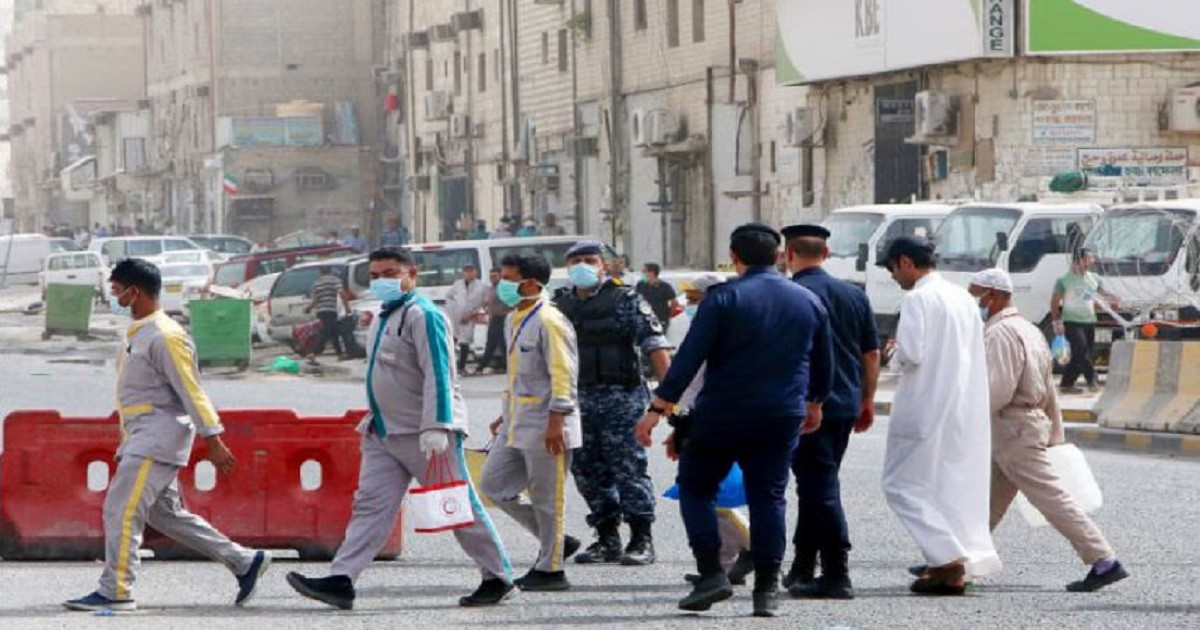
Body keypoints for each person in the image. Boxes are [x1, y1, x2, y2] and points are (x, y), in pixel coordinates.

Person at [286, 247, 514, 610]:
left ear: (412, 275)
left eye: (391, 272)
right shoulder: (382, 316)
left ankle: (497, 575)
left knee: (456, 507)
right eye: (375, 275)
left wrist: (437, 425)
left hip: (426, 435)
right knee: (370, 507)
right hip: (384, 432)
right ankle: (342, 579)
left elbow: (440, 372)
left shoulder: (424, 315)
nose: (382, 281)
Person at [635, 223, 833, 617]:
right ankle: (766, 590)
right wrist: (815, 403)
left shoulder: (723, 299)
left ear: (735, 256)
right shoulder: (806, 299)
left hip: (723, 413)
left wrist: (658, 408)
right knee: (769, 497)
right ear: (778, 255)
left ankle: (711, 573)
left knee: (695, 487)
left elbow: (690, 358)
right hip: (781, 413)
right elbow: (823, 359)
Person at [64, 259, 270, 613]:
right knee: (166, 515)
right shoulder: (141, 333)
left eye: (116, 291)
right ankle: (244, 561)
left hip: (157, 439)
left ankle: (116, 589)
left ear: (135, 291)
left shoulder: (166, 335)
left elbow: (192, 391)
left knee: (121, 509)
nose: (113, 298)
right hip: (143, 437)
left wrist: (213, 438)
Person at [969, 268, 1128, 593]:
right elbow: (1049, 389)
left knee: (1052, 499)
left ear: (994, 296)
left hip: (1012, 428)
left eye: (977, 294)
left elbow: (995, 390)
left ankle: (1104, 559)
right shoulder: (1027, 329)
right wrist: (1053, 430)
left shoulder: (1000, 335)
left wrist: (964, 418)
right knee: (985, 502)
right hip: (1020, 427)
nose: (974, 301)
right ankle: (959, 561)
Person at [879, 237, 1002, 595]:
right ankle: (946, 568)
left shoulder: (918, 297)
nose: (893, 278)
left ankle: (949, 558)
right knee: (947, 487)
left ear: (905, 262)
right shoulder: (962, 297)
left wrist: (893, 354)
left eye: (891, 269)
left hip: (925, 404)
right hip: (962, 406)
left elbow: (912, 353)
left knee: (900, 485)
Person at [553, 239, 672, 567]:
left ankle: (641, 538)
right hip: (578, 400)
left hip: (622, 398)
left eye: (590, 259)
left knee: (628, 466)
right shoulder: (559, 304)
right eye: (575, 260)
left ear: (604, 265)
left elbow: (656, 346)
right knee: (587, 470)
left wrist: (669, 398)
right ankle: (606, 537)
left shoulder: (625, 299)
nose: (582, 265)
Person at [781, 224, 881, 600]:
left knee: (818, 486)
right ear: (826, 255)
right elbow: (870, 353)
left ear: (789, 255)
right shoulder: (852, 295)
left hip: (806, 406)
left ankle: (837, 572)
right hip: (843, 403)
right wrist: (866, 399)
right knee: (816, 483)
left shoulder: (792, 294)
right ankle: (803, 565)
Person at [481, 253, 583, 591]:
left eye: (509, 279)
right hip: (516, 421)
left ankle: (552, 569)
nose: (502, 285)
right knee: (494, 485)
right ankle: (555, 541)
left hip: (548, 424)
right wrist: (504, 414)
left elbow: (564, 375)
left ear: (531, 283)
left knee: (547, 497)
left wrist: (557, 420)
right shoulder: (514, 317)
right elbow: (520, 375)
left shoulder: (550, 320)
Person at [661, 274, 754, 588]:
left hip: (710, 421)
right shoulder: (708, 324)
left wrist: (677, 417)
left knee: (709, 494)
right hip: (709, 418)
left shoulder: (715, 328)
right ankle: (723, 563)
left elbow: (692, 380)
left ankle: (751, 548)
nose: (689, 304)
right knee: (713, 496)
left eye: (695, 298)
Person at [1051, 249, 1118, 394]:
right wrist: (1056, 322)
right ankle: (1092, 380)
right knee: (1081, 350)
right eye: (1089, 258)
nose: (1092, 261)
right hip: (1071, 322)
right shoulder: (1064, 280)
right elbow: (1055, 302)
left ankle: (1066, 383)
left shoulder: (1094, 278)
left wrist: (1113, 298)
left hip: (1090, 321)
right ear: (1079, 260)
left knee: (1081, 354)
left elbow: (1102, 293)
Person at [446, 265, 489, 372]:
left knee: (465, 341)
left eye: (471, 271)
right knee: (453, 339)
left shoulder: (482, 286)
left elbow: (485, 302)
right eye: (467, 272)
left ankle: (461, 366)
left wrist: (472, 314)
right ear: (463, 273)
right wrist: (454, 310)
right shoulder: (458, 284)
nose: (469, 274)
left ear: (475, 273)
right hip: (456, 316)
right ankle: (451, 364)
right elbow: (449, 296)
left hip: (471, 316)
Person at [306, 266, 350, 362]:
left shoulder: (316, 283)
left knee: (332, 332)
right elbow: (341, 292)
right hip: (331, 310)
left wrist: (309, 308)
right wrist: (347, 307)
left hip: (321, 311)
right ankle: (313, 353)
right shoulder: (335, 280)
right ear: (331, 271)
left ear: (320, 272)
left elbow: (315, 299)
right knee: (326, 332)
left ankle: (339, 354)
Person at [476, 268, 513, 374]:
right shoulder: (492, 288)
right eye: (491, 276)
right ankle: (483, 365)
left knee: (501, 343)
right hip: (493, 318)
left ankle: (506, 365)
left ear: (500, 276)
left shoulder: (504, 288)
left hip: (502, 317)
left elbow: (511, 303)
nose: (492, 278)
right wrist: (486, 305)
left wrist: (505, 311)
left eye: (494, 276)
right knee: (491, 343)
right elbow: (489, 301)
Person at [636, 263, 679, 333]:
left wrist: (668, 314)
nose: (643, 273)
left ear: (652, 272)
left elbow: (674, 302)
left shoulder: (665, 287)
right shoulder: (641, 285)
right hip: (644, 320)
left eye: (645, 271)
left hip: (660, 319)